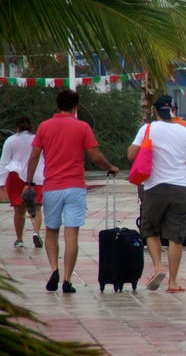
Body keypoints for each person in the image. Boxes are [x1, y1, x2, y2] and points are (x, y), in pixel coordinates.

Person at [25, 89, 120, 294]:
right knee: (72, 233)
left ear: (57, 104)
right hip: (75, 187)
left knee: (51, 230)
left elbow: (34, 156)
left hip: (52, 187)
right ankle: (67, 279)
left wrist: (29, 181)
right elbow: (95, 156)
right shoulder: (82, 127)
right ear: (76, 106)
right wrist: (110, 167)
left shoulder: (44, 127)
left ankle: (53, 270)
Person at [129, 95, 186, 293]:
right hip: (179, 189)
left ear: (156, 111)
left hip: (153, 188)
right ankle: (173, 282)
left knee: (151, 230)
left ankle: (157, 267)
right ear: (174, 110)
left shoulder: (147, 129)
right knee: (176, 237)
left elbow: (131, 155)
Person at [0, 117, 45, 249]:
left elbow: (4, 161)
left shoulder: (11, 140)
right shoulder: (38, 139)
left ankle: (19, 239)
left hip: (15, 177)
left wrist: (1, 181)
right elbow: (44, 158)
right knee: (36, 207)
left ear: (17, 127)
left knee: (19, 209)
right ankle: (36, 232)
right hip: (36, 176)